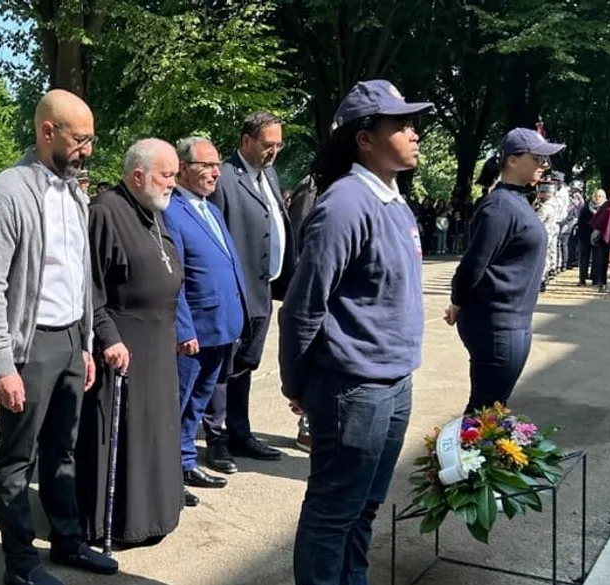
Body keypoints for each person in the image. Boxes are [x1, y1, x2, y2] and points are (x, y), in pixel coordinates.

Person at [279, 79, 432, 585]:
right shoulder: (345, 205)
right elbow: (302, 307)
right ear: (364, 138)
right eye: (401, 125)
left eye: (413, 124)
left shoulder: (393, 199)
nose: (414, 134)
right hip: (354, 389)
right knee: (332, 514)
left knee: (364, 508)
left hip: (393, 383)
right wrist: (298, 384)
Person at [0, 89, 117, 585]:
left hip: (69, 344)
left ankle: (68, 540)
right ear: (47, 131)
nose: (88, 150)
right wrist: (2, 364)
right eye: (80, 139)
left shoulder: (76, 194)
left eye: (91, 139)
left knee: (65, 450)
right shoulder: (9, 193)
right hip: (29, 346)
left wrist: (83, 342)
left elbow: (79, 274)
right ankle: (20, 564)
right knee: (18, 458)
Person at [76, 138, 184, 546]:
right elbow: (91, 289)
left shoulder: (152, 211)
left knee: (156, 434)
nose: (173, 182)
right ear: (138, 175)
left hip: (159, 343)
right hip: (124, 346)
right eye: (167, 174)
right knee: (127, 439)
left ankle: (155, 514)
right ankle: (118, 523)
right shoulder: (106, 212)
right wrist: (108, 338)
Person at [445, 128, 562, 413]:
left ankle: (483, 455)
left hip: (513, 319)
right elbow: (472, 264)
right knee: (485, 409)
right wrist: (457, 301)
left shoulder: (518, 201)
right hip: (496, 323)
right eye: (537, 158)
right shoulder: (499, 207)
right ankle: (464, 456)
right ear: (511, 160)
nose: (544, 165)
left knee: (494, 407)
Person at [206, 111, 294, 473]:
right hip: (234, 292)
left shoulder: (269, 175)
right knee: (222, 368)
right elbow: (212, 239)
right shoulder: (224, 178)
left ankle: (240, 432)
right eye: (267, 144)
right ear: (246, 141)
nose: (273, 151)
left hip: (263, 288)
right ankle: (215, 440)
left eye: (278, 144)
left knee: (245, 366)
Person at [164, 137, 249, 505]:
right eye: (207, 165)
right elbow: (175, 278)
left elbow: (228, 262)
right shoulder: (171, 211)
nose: (216, 172)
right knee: (179, 402)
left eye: (217, 165)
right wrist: (183, 328)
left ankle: (185, 461)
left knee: (199, 401)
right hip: (195, 330)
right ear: (183, 168)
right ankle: (167, 475)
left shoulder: (210, 209)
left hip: (221, 326)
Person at [576, 189, 606, 286]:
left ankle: (595, 279)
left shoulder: (606, 208)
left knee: (597, 258)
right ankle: (582, 279)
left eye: (600, 196)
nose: (597, 198)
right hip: (585, 236)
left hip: (599, 236)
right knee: (583, 258)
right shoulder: (586, 207)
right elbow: (580, 221)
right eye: (596, 195)